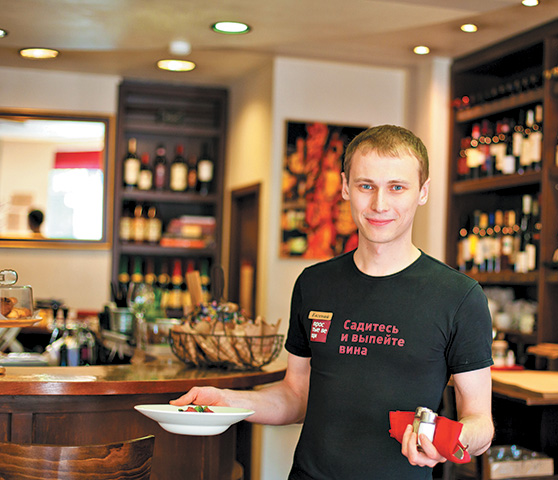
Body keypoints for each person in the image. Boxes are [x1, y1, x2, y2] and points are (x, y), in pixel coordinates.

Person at [172, 125, 494, 479]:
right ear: (344, 187)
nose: (379, 204)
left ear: (423, 191)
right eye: (366, 186)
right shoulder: (314, 284)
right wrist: (230, 401)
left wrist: (452, 438)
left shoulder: (458, 296)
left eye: (397, 187)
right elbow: (296, 396)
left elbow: (481, 421)